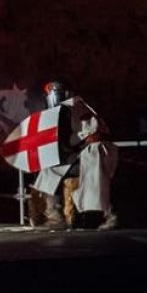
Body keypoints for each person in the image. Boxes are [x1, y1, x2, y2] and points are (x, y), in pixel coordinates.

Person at [30, 81, 118, 230]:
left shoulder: (67, 109)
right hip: (97, 151)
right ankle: (110, 216)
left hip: (93, 153)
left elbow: (68, 143)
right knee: (54, 171)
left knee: (50, 172)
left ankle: (56, 218)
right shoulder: (78, 105)